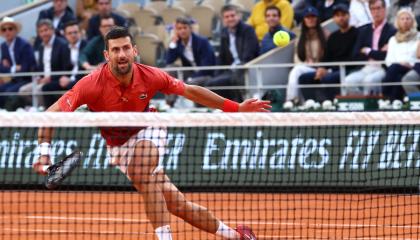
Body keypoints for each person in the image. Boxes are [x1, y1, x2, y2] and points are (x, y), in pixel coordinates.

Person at [33, 26, 270, 240]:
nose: (122, 54)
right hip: (118, 147)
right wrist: (43, 153)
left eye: (126, 48)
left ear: (134, 51)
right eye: (115, 50)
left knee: (140, 170)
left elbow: (190, 91)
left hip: (149, 127)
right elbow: (51, 113)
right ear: (107, 56)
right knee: (178, 206)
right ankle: (238, 236)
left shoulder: (151, 75)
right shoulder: (90, 84)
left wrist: (235, 107)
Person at [298, 3, 358, 102]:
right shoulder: (333, 36)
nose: (341, 18)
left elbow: (354, 57)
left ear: (349, 15)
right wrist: (322, 68)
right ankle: (313, 105)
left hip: (348, 68)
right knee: (304, 78)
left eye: (343, 15)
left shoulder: (356, 33)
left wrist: (329, 70)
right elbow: (327, 56)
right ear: (334, 18)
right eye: (337, 16)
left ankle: (332, 104)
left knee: (328, 78)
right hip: (332, 69)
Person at [205, 4, 259, 102]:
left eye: (232, 16)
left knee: (234, 78)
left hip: (245, 68)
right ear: (223, 20)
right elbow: (222, 57)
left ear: (239, 16)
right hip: (231, 69)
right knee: (211, 83)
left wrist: (238, 68)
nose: (230, 19)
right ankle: (223, 107)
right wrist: (216, 74)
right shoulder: (224, 32)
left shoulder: (248, 30)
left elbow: (249, 55)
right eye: (227, 17)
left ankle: (238, 105)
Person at [343, 0, 396, 95]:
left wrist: (367, 51)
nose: (376, 12)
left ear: (384, 9)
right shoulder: (364, 30)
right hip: (366, 67)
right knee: (348, 81)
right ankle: (362, 104)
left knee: (369, 81)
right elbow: (355, 54)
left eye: (378, 8)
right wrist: (376, 53)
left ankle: (372, 106)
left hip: (382, 68)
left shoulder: (392, 31)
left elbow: (386, 56)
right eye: (373, 9)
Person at [19, 19, 72, 108]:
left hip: (57, 79)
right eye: (41, 31)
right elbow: (40, 67)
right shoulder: (40, 47)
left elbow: (66, 68)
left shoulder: (62, 45)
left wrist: (50, 78)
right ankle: (37, 108)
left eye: (46, 30)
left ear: (52, 30)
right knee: (23, 91)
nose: (44, 33)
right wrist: (39, 77)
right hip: (43, 79)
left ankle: (45, 112)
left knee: (39, 90)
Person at [285, 6, 328, 103]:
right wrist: (306, 63)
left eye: (313, 17)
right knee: (297, 70)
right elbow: (297, 58)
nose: (310, 20)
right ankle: (292, 100)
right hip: (306, 67)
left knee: (297, 71)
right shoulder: (301, 37)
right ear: (304, 20)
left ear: (317, 18)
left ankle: (292, 100)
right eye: (308, 17)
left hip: (322, 68)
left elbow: (329, 55)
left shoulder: (325, 34)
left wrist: (322, 67)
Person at [382, 8, 419, 100]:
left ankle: (385, 96)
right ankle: (396, 103)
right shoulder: (393, 40)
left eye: (408, 18)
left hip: (413, 67)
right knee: (398, 76)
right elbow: (388, 60)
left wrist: (410, 64)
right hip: (396, 68)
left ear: (412, 21)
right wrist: (400, 63)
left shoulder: (418, 36)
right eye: (402, 19)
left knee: (396, 70)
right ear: (398, 21)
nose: (405, 21)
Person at [165, 17, 216, 85]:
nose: (182, 31)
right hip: (191, 72)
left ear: (190, 29)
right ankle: (173, 95)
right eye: (179, 28)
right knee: (169, 69)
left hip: (205, 74)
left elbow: (206, 67)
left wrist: (190, 78)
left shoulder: (202, 41)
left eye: (185, 27)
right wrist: (173, 43)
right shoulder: (178, 43)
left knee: (190, 84)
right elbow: (169, 61)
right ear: (176, 31)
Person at [0, 17, 36, 110]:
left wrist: (10, 68)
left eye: (10, 28)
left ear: (15, 30)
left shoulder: (24, 45)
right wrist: (15, 68)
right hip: (15, 79)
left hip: (26, 79)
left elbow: (25, 68)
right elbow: (1, 68)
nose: (7, 31)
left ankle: (8, 116)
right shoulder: (3, 46)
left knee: (8, 92)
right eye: (4, 29)